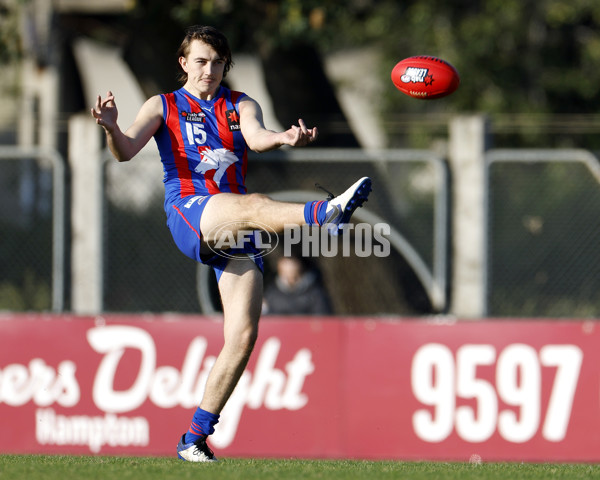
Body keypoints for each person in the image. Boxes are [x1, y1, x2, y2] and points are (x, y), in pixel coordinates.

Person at [90, 25, 371, 462]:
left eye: (218, 62)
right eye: (200, 61)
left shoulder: (239, 104)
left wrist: (281, 138)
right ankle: (324, 214)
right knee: (255, 202)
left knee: (242, 335)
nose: (210, 70)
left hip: (236, 222)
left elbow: (256, 137)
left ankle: (194, 438)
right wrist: (111, 128)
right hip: (191, 212)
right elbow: (125, 151)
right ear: (183, 63)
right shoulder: (163, 105)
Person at [263, 254, 333, 315]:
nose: (290, 279)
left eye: (293, 275)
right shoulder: (271, 294)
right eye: (286, 274)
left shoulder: (315, 294)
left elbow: (322, 317)